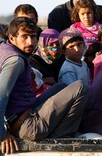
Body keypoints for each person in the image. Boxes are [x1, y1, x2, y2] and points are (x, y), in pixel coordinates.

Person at [0, 17, 88, 154]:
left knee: (61, 86)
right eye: (24, 37)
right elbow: (1, 97)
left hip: (24, 113)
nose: (30, 42)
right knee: (81, 87)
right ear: (12, 38)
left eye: (33, 36)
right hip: (27, 126)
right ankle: (61, 138)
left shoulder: (5, 48)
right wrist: (2, 135)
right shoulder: (16, 62)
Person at [70, 0, 102, 78]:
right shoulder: (74, 28)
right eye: (83, 14)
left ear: (94, 12)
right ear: (78, 14)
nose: (86, 17)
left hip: (97, 62)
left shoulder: (100, 28)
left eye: (89, 13)